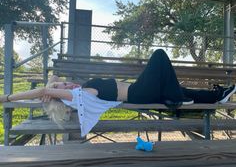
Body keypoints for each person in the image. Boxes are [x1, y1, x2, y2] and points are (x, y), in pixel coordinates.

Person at [0, 49, 235, 135]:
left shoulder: (77, 90)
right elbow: (46, 86)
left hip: (140, 90)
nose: (65, 83)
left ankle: (219, 95)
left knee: (180, 88)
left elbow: (52, 79)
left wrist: (51, 88)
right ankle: (176, 99)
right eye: (62, 88)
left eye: (64, 84)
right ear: (63, 97)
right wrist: (8, 97)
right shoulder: (77, 98)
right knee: (160, 55)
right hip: (138, 94)